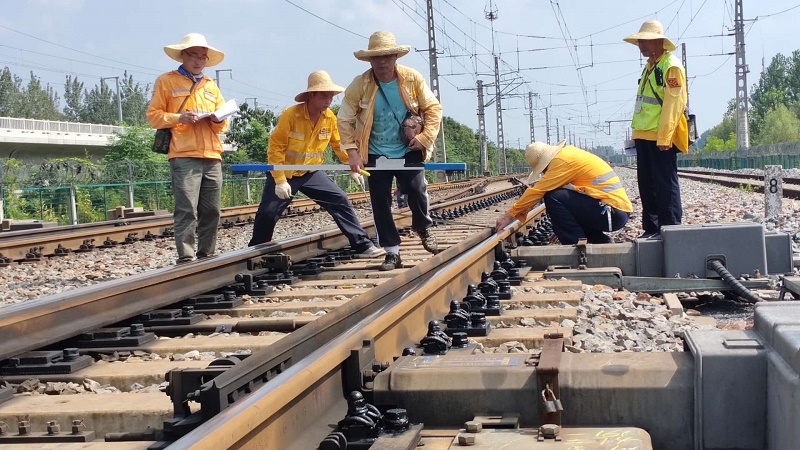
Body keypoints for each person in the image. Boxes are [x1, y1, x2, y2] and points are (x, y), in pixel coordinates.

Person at [248, 70, 385, 259]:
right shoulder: (291, 115)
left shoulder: (329, 118)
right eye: (324, 96)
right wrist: (279, 180)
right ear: (311, 95)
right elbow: (275, 149)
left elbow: (338, 144)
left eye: (331, 96)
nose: (328, 100)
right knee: (269, 213)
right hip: (286, 174)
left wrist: (351, 165)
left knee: (339, 199)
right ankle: (254, 253)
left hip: (311, 172)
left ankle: (362, 245)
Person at [338, 31, 443, 271]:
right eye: (377, 58)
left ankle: (423, 227)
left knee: (417, 190)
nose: (382, 62)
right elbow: (344, 119)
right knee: (380, 201)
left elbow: (433, 108)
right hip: (376, 151)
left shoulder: (411, 78)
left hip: (409, 148)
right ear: (370, 60)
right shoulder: (360, 84)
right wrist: (352, 152)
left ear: (395, 56)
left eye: (387, 56)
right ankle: (392, 252)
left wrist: (425, 138)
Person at [146, 33, 228, 264]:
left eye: (203, 57)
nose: (199, 60)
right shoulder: (166, 81)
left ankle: (207, 253)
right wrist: (180, 117)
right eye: (194, 55)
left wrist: (217, 119)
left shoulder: (211, 85)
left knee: (212, 210)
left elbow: (223, 124)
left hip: (212, 154)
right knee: (187, 209)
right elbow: (153, 116)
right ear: (183, 55)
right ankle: (187, 256)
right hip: (184, 154)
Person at [494, 141, 632, 245]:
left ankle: (575, 246)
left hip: (612, 214)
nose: (544, 173)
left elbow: (537, 191)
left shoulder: (561, 161)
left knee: (554, 197)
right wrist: (562, 228)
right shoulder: (567, 154)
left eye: (543, 170)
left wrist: (509, 215)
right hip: (614, 212)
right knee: (560, 197)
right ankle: (601, 242)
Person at [624, 20, 688, 239]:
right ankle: (651, 228)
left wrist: (665, 135)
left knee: (664, 184)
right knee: (647, 184)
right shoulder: (650, 65)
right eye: (639, 41)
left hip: (660, 137)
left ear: (659, 42)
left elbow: (674, 104)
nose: (641, 45)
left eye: (645, 41)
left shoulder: (670, 66)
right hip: (644, 135)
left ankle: (669, 228)